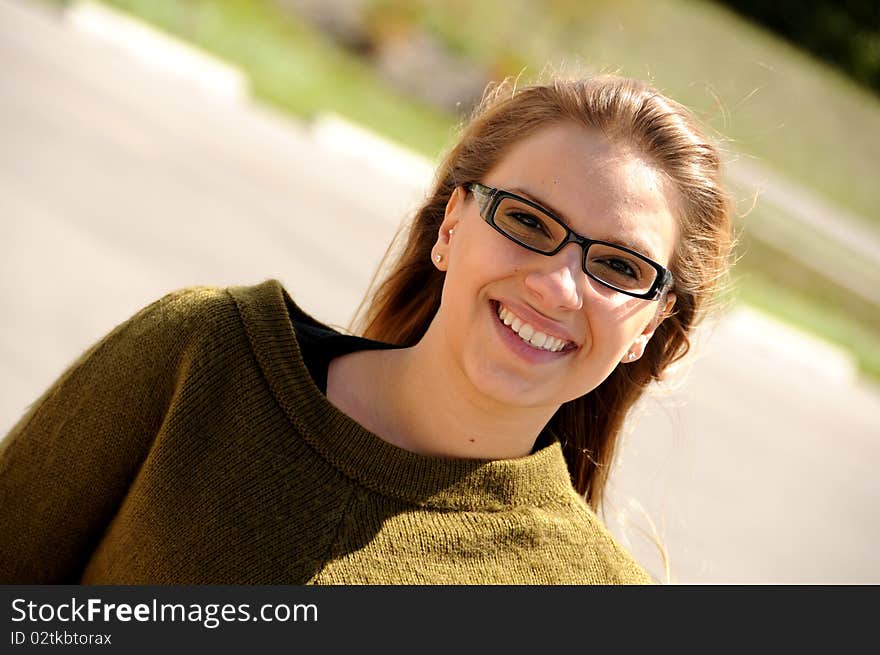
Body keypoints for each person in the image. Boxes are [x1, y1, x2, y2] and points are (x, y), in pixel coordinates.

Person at [0, 74, 732, 584]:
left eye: (620, 267)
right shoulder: (203, 356)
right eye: (528, 220)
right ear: (451, 226)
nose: (557, 283)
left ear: (648, 327)